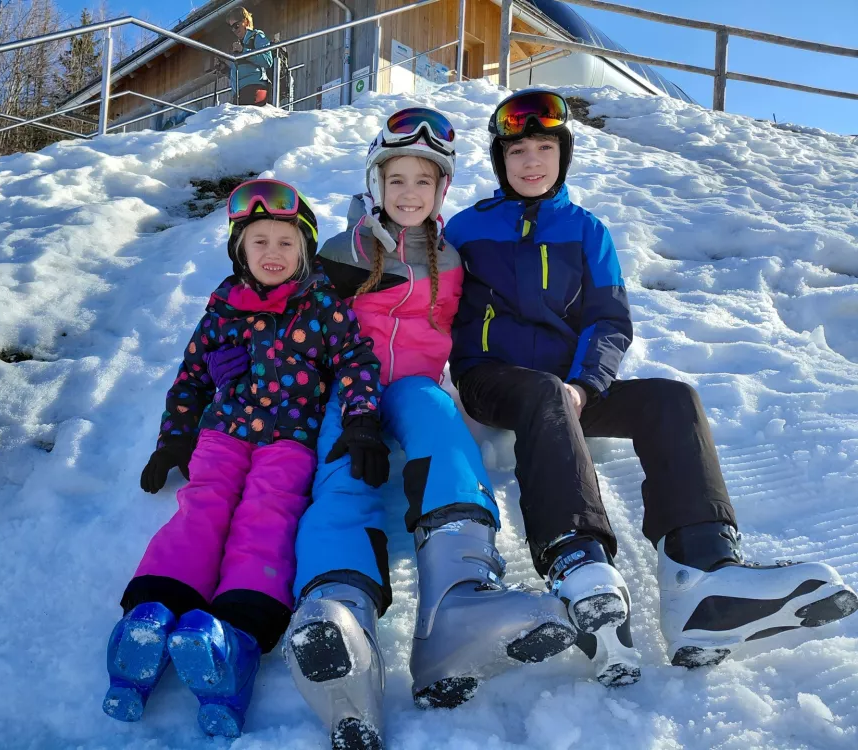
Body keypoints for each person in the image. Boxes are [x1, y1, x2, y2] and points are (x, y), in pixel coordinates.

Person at [445, 88, 858, 686]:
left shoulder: (588, 231)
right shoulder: (467, 228)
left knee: (672, 399)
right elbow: (427, 298)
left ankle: (703, 576)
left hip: (566, 388)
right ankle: (576, 560)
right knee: (543, 392)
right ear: (499, 161)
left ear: (562, 155)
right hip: (492, 380)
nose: (530, 161)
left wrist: (587, 384)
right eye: (516, 151)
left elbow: (608, 321)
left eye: (543, 147)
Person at [206, 109, 577, 750]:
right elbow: (277, 310)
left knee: (441, 425)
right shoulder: (338, 251)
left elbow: (478, 326)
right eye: (396, 178)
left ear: (442, 192)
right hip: (338, 392)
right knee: (341, 471)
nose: (409, 193)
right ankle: (339, 609)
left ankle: (459, 601)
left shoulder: (451, 258)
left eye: (424, 183)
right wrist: (237, 366)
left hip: (413, 387)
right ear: (374, 182)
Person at [102, 180, 384, 738]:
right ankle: (152, 613)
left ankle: (236, 630)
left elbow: (356, 361)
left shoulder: (323, 305)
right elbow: (192, 378)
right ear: (240, 250)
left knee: (266, 514)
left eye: (285, 242)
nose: (273, 253)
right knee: (201, 506)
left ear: (303, 251)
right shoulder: (222, 308)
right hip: (224, 436)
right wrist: (175, 440)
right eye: (260, 242)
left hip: (290, 442)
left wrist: (361, 419)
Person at [226, 7, 272, 107]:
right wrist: (224, 69)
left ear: (246, 22)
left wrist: (244, 51)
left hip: (254, 88)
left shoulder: (257, 36)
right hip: (239, 93)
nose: (234, 30)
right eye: (231, 28)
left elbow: (267, 60)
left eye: (236, 26)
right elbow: (240, 71)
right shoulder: (240, 44)